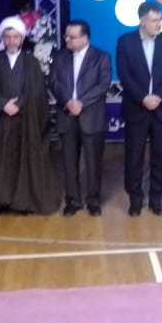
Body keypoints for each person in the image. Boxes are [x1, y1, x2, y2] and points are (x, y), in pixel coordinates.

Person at [0, 16, 61, 215]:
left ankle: (22, 202)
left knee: (24, 162)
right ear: (2, 38)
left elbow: (36, 90)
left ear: (22, 39)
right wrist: (3, 104)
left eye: (15, 37)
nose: (11, 41)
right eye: (8, 37)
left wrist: (19, 104)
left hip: (25, 121)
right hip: (0, 121)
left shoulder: (31, 62)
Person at [116, 2, 162, 216]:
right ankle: (135, 199)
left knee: (161, 157)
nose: (159, 24)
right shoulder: (125, 42)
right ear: (142, 20)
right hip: (137, 108)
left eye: (160, 20)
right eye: (154, 20)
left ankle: (156, 199)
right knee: (134, 157)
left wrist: (158, 96)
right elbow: (124, 75)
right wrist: (143, 98)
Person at [50, 19, 112, 216]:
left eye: (72, 37)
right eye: (66, 36)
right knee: (69, 162)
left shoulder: (101, 57)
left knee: (93, 163)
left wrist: (81, 103)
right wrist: (68, 101)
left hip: (91, 117)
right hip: (67, 116)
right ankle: (73, 201)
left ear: (85, 38)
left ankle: (93, 201)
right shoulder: (59, 57)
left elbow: (103, 84)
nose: (67, 40)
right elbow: (53, 82)